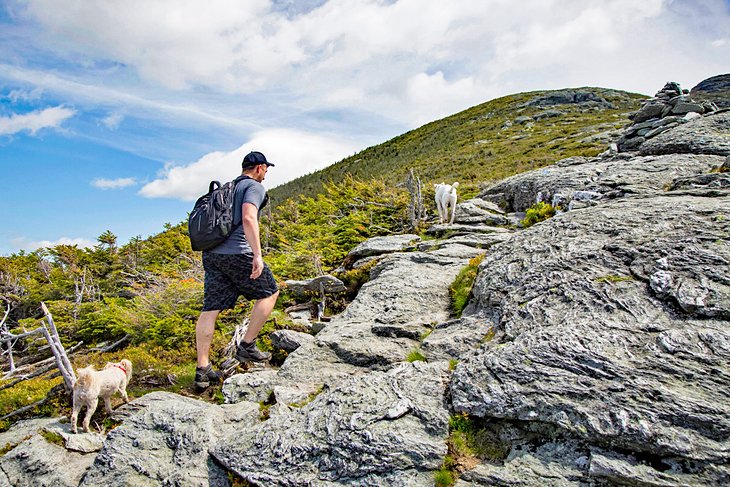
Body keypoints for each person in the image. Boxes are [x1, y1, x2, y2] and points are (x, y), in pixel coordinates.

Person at [194, 151, 280, 390]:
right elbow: (249, 218)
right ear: (260, 168)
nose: (266, 174)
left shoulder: (227, 188)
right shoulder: (253, 187)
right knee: (269, 292)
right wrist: (257, 255)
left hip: (212, 254)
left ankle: (203, 369)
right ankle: (247, 346)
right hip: (238, 252)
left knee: (210, 308)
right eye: (266, 169)